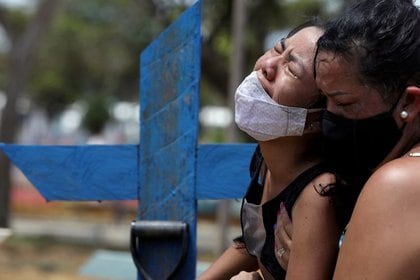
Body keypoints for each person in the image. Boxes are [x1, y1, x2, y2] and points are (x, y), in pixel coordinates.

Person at [275, 0, 420, 278]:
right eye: (324, 99)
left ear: (410, 103)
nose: (329, 118)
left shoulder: (396, 183)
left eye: (344, 103)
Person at [199, 19, 353, 280]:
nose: (267, 66)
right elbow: (254, 243)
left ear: (317, 117)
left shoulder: (317, 195)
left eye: (291, 69)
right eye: (276, 49)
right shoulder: (266, 159)